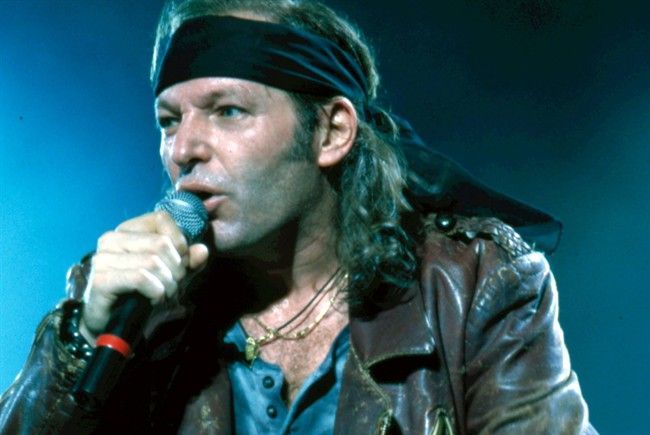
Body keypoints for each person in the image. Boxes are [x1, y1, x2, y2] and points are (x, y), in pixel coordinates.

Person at [0, 0, 596, 433]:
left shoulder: (472, 288)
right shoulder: (131, 298)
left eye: (228, 111)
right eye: (169, 120)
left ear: (332, 132)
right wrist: (82, 339)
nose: (183, 149)